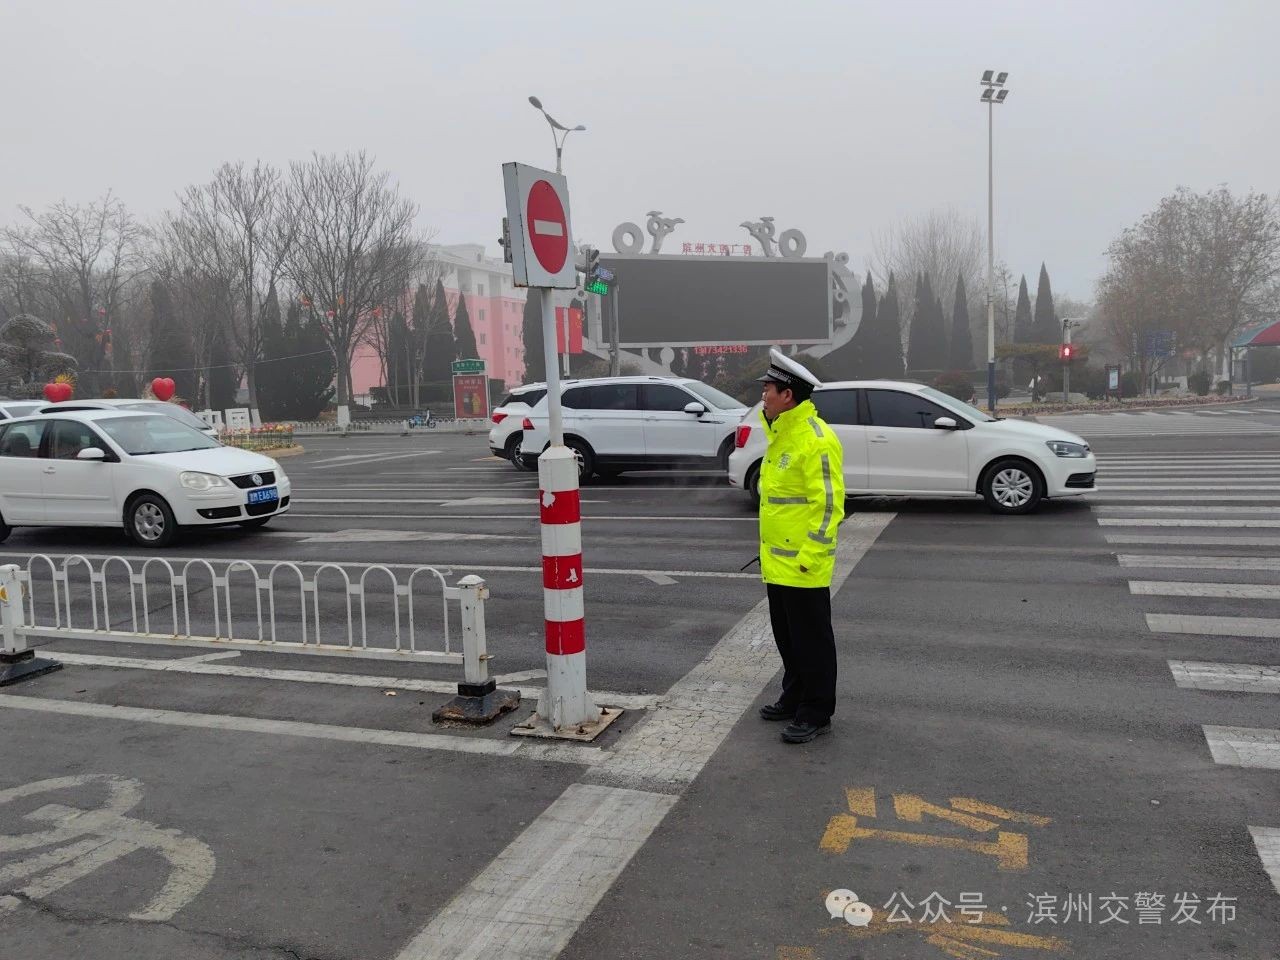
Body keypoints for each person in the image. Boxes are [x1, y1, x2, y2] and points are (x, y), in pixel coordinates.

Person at [754, 348, 845, 743]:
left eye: (768, 390)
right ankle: (793, 697)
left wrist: (809, 557)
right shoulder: (782, 434)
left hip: (804, 564)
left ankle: (816, 712)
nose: (763, 396)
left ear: (787, 395)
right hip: (777, 562)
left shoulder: (816, 440)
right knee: (789, 640)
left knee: (812, 643)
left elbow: (829, 506)